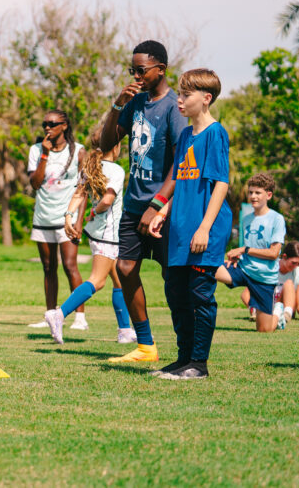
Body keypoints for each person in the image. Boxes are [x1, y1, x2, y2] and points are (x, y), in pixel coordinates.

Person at [99, 40, 189, 363]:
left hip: (163, 210)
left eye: (141, 70)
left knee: (172, 278)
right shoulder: (135, 103)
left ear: (160, 70)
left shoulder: (173, 108)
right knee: (124, 268)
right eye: (132, 70)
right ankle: (146, 345)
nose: (136, 76)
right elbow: (106, 141)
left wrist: (157, 204)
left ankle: (187, 350)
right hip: (134, 206)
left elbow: (181, 164)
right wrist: (117, 106)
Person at [149, 69, 231, 380]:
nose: (179, 100)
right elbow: (181, 182)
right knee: (176, 294)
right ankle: (183, 360)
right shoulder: (186, 136)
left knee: (199, 295)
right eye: (180, 93)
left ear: (206, 99)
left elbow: (221, 184)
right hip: (179, 230)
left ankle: (199, 363)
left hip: (202, 230)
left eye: (186, 95)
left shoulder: (215, 133)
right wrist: (162, 211)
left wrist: (204, 228)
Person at [45, 131, 135, 345]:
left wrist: (68, 216)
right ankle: (59, 314)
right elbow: (107, 200)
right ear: (116, 147)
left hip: (98, 233)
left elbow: (78, 194)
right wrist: (94, 212)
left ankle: (124, 330)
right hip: (108, 234)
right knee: (98, 280)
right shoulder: (116, 170)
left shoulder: (91, 167)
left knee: (119, 279)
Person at [27, 110, 87, 330]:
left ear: (64, 125)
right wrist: (44, 154)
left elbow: (84, 188)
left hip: (66, 219)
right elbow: (35, 183)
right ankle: (50, 315)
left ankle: (80, 317)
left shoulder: (78, 151)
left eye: (52, 124)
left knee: (70, 265)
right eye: (45, 124)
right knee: (48, 267)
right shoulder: (36, 150)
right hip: (43, 216)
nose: (47, 128)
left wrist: (78, 220)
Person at [212, 173, 284, 333]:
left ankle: (278, 312)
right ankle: (199, 312)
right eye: (251, 192)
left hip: (264, 279)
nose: (253, 196)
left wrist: (244, 250)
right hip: (243, 269)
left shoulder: (277, 219)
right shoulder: (246, 218)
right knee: (208, 267)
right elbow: (247, 246)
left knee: (264, 330)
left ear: (269, 195)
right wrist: (238, 256)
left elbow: (273, 253)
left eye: (258, 193)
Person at [266, 241, 299, 326]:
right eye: (293, 263)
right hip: (270, 307)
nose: (296, 266)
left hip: (288, 309)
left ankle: (286, 316)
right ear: (284, 257)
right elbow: (246, 294)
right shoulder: (270, 268)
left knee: (289, 284)